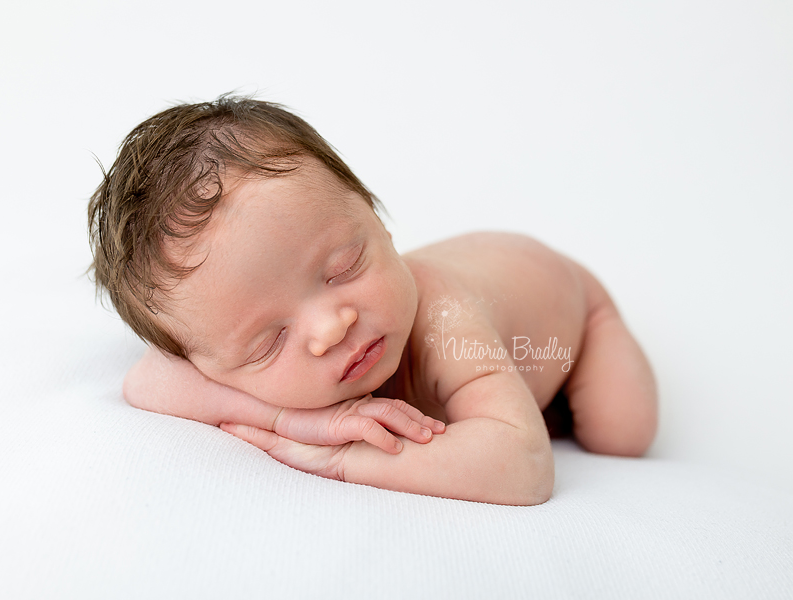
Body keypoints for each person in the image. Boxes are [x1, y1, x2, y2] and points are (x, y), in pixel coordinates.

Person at [88, 94, 658, 506]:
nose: (332, 328)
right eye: (268, 342)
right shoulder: (216, 348)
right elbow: (147, 382)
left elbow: (525, 467)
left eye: (344, 268)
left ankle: (565, 372)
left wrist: (337, 457)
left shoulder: (443, 316)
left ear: (379, 222)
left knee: (620, 434)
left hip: (572, 308)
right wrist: (298, 421)